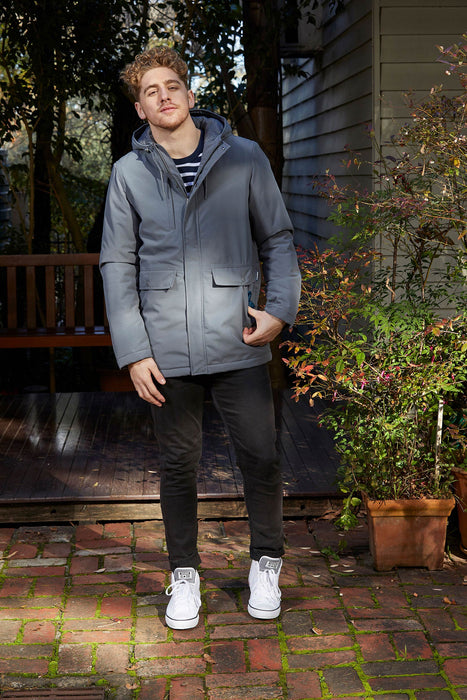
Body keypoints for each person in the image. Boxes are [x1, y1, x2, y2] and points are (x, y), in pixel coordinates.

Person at [100, 46, 301, 630]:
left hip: (239, 337)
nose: (163, 96)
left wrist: (279, 312)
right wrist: (134, 351)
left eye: (172, 86)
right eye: (151, 92)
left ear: (190, 95)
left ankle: (266, 564)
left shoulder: (244, 157)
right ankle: (184, 574)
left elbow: (278, 238)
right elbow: (117, 264)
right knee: (177, 464)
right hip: (165, 347)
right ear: (141, 109)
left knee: (261, 456)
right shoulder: (128, 173)